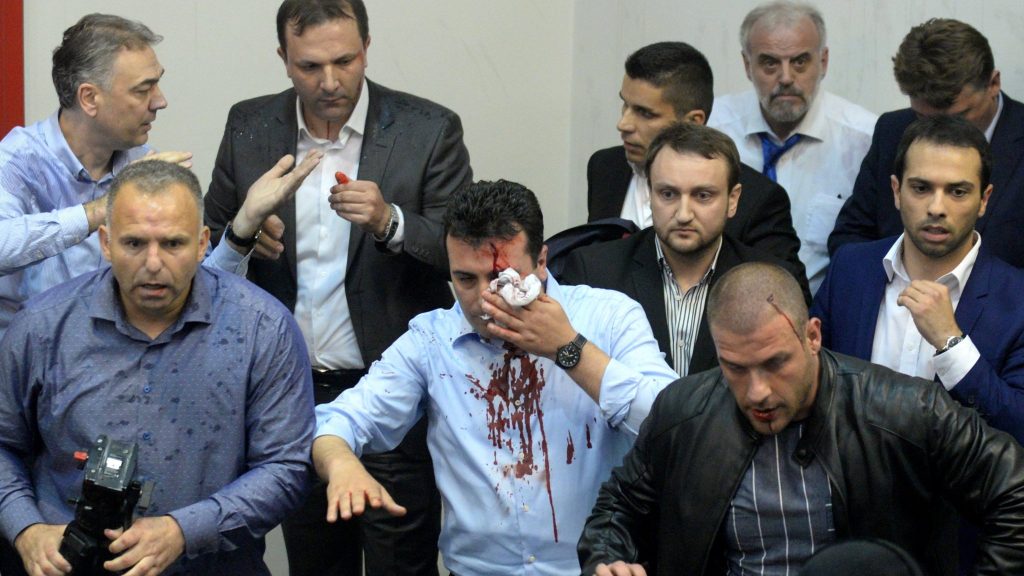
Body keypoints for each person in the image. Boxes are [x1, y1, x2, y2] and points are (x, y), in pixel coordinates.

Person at [202, 1, 472, 573]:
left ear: (366, 49)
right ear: (283, 58)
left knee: (404, 563)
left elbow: (463, 253)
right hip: (292, 396)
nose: (329, 82)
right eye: (309, 66)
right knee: (315, 563)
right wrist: (244, 235)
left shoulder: (428, 129)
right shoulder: (249, 125)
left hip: (394, 397)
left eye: (344, 61)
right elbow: (208, 253)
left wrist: (391, 221)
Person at [313, 180, 678, 575]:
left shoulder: (608, 316)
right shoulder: (431, 340)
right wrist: (341, 463)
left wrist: (568, 349)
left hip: (593, 568)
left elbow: (675, 425)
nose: (484, 298)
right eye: (465, 279)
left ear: (541, 261)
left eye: (500, 277)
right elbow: (337, 421)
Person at [577, 262, 1024, 576]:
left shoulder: (902, 409)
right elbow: (619, 506)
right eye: (735, 368)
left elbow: (1014, 491)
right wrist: (607, 561)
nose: (757, 391)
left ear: (812, 336)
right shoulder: (683, 413)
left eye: (775, 363)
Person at [0, 161, 314, 575]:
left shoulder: (263, 328)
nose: (153, 263)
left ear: (202, 244)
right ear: (106, 243)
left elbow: (287, 466)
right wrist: (26, 528)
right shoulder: (42, 327)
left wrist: (185, 531)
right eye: (134, 243)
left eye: (172, 244)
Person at [0, 13, 317, 339]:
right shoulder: (19, 160)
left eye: (157, 83)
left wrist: (243, 226)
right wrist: (99, 210)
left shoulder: (141, 161)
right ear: (90, 98)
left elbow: (196, 287)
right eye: (143, 90)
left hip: (122, 362)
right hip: (30, 362)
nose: (160, 101)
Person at [813, 115, 1024, 443]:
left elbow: (1019, 427)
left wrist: (952, 344)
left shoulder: (1017, 299)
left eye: (957, 191)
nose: (936, 207)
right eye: (921, 188)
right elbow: (810, 380)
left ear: (984, 200)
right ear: (897, 191)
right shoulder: (850, 269)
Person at [562, 123, 808, 378]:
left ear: (733, 200)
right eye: (668, 194)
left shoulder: (772, 283)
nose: (683, 214)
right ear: (650, 194)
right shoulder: (594, 272)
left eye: (703, 196)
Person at [586, 41, 805, 278]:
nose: (624, 124)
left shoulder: (758, 200)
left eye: (645, 113)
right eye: (625, 105)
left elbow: (784, 290)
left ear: (693, 122)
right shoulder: (606, 167)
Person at [830, 18, 1024, 270]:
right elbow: (851, 237)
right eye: (924, 118)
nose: (942, 131)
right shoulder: (893, 130)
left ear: (993, 84)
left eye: (959, 117)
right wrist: (896, 284)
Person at [709, 1, 875, 293]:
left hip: (820, 309)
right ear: (747, 65)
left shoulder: (864, 140)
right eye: (770, 63)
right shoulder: (712, 130)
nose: (786, 78)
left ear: (823, 62)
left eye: (799, 62)